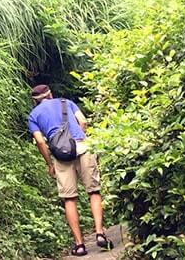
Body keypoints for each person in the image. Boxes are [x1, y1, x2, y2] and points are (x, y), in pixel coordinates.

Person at [27, 84, 113, 257]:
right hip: (82, 147)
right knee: (94, 191)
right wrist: (79, 139)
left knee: (69, 199)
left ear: (34, 101)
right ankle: (100, 233)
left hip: (61, 155)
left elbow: (40, 142)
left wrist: (49, 163)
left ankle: (79, 245)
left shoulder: (33, 115)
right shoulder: (67, 102)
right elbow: (83, 121)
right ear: (50, 94)